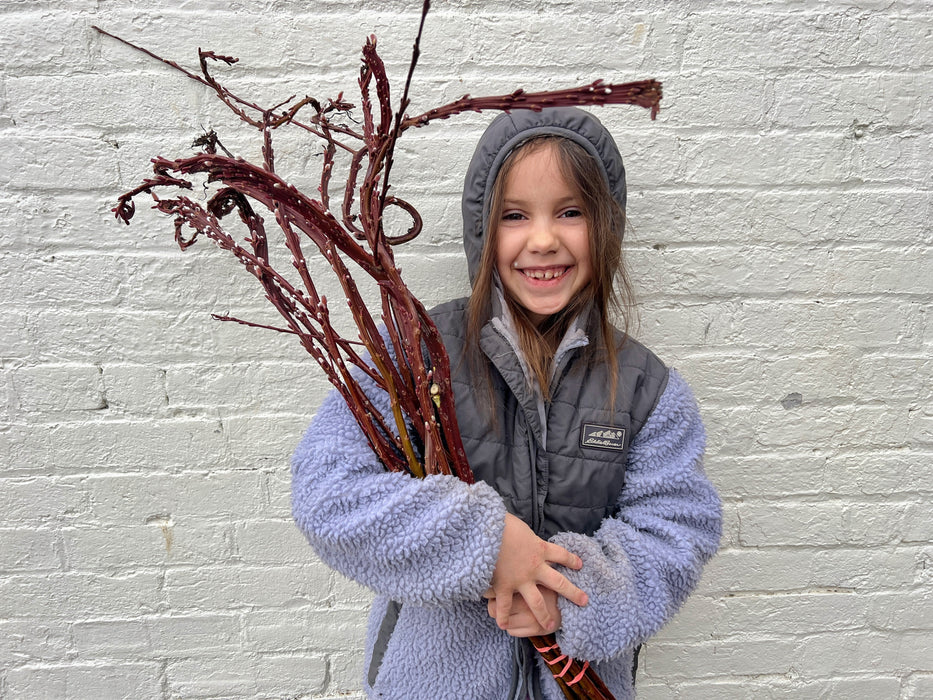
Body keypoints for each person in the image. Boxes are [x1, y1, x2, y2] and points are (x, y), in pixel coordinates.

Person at [291, 107, 722, 700]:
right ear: (484, 232)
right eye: (515, 216)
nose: (543, 239)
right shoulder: (418, 356)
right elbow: (329, 492)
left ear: (604, 228)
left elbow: (677, 531)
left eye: (570, 213)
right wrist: (486, 544)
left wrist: (571, 592)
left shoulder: (647, 390)